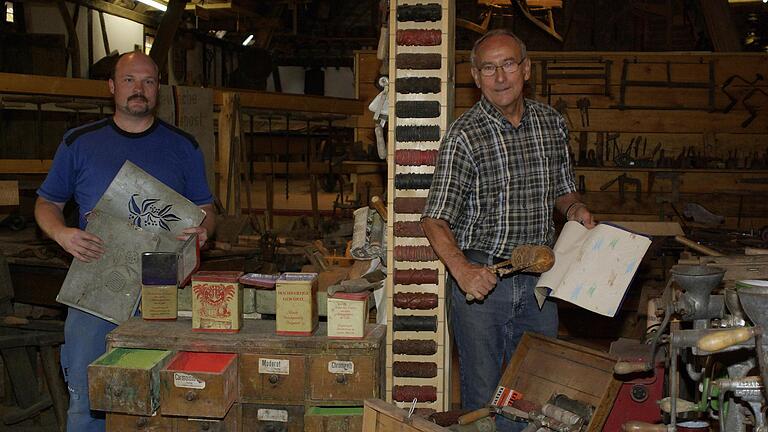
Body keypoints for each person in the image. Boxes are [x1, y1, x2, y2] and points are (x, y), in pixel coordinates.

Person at [421, 29, 595, 431]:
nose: (500, 76)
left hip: (539, 281)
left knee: (534, 394)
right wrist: (463, 271)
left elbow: (563, 191)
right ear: (475, 76)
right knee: (484, 400)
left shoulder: (551, 124)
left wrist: (576, 209)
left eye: (509, 64)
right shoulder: (465, 135)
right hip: (485, 282)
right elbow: (434, 218)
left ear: (527, 69)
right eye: (489, 67)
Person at [34, 51, 216, 432]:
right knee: (89, 397)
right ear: (113, 87)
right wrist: (62, 233)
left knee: (166, 394)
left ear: (158, 91)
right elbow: (47, 203)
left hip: (165, 290)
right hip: (96, 284)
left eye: (148, 81)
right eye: (130, 80)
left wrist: (203, 229)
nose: (139, 89)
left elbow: (205, 207)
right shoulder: (79, 142)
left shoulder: (184, 146)